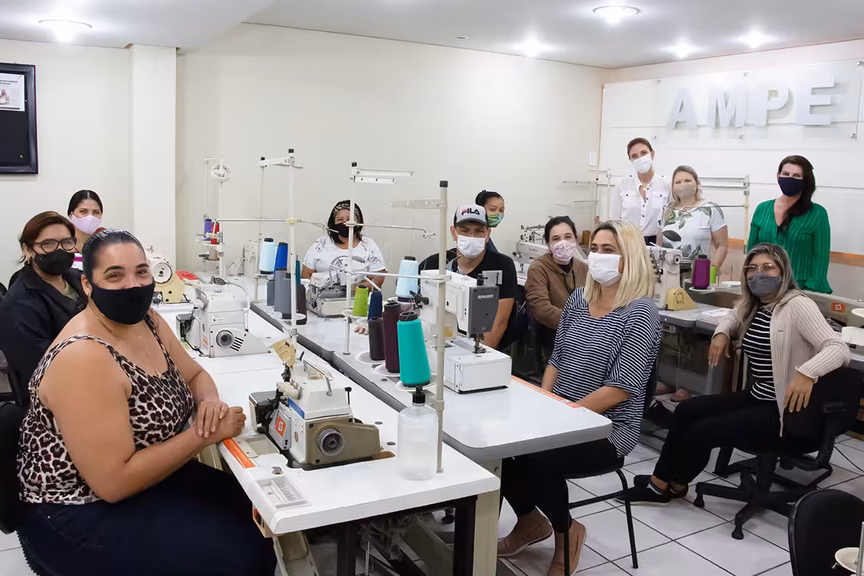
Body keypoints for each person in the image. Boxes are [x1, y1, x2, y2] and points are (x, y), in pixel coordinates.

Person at [16, 229, 276, 575]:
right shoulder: (83, 357)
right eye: (115, 275)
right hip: (77, 508)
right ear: (88, 285)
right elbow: (114, 483)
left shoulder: (147, 321)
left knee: (251, 504)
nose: (133, 285)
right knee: (241, 554)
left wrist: (209, 403)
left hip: (142, 476)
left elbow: (195, 375)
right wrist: (204, 435)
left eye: (141, 272)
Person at [626, 243, 849, 504]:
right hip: (757, 396)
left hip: (783, 410)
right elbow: (733, 316)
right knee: (687, 410)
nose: (759, 274)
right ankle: (662, 480)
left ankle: (670, 484)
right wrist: (722, 333)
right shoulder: (756, 303)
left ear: (783, 271)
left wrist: (807, 373)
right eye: (752, 268)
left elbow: (838, 348)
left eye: (768, 267)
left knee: (701, 430)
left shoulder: (798, 305)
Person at [498, 220, 661, 575]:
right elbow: (556, 359)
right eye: (596, 249)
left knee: (538, 457)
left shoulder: (641, 313)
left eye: (609, 250)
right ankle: (529, 521)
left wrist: (562, 413)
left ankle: (566, 532)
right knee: (500, 446)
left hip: (607, 428)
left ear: (630, 257)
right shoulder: (579, 299)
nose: (599, 257)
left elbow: (620, 388)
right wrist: (542, 402)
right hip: (562, 412)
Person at [0, 212, 85, 393]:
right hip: (57, 393)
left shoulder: (78, 279)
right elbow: (42, 369)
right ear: (28, 250)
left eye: (66, 242)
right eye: (48, 243)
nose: (59, 250)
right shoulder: (20, 304)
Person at [419, 204, 518, 351]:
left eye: (479, 231)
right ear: (453, 233)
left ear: (487, 234)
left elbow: (499, 322)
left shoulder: (502, 265)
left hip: (484, 349)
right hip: (436, 344)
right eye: (465, 231)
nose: (472, 237)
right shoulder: (433, 265)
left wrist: (479, 356)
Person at [748, 155, 831, 293]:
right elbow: (752, 252)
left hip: (800, 290)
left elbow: (820, 261)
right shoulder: (762, 209)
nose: (790, 179)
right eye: (786, 174)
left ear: (805, 181)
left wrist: (806, 293)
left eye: (796, 176)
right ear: (778, 176)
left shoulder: (817, 214)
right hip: (763, 289)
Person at [524, 216, 588, 363]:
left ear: (576, 238)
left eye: (568, 237)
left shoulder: (583, 268)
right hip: (553, 339)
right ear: (548, 244)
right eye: (556, 239)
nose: (563, 243)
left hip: (584, 339)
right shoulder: (539, 269)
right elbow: (542, 309)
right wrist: (579, 325)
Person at [302, 200, 387, 289]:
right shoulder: (320, 244)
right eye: (340, 220)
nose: (345, 223)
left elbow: (377, 279)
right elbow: (306, 274)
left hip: (358, 296)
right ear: (333, 222)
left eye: (349, 220)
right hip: (323, 295)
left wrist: (352, 291)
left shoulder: (368, 245)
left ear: (358, 221)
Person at [660, 165, 728, 268]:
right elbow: (659, 246)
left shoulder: (710, 209)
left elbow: (722, 245)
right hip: (668, 271)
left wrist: (713, 270)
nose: (683, 185)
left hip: (698, 271)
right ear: (672, 187)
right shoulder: (666, 210)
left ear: (697, 183)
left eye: (687, 180)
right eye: (678, 182)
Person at [609, 137, 670, 245]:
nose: (640, 158)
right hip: (628, 242)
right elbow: (614, 219)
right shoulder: (622, 184)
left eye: (644, 153)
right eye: (634, 156)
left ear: (652, 154)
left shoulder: (666, 184)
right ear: (631, 160)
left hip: (657, 242)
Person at [68, 189, 105, 271]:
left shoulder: (106, 248)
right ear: (71, 215)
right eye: (83, 211)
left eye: (96, 212)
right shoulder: (64, 248)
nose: (90, 217)